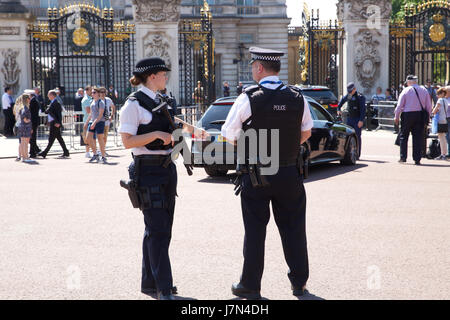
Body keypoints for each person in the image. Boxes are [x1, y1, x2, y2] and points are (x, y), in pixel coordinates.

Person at [221, 47, 313, 299]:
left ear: (259, 68)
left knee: (254, 231)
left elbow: (228, 135)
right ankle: (299, 283)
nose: (252, 69)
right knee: (294, 229)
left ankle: (250, 285)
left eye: (253, 66)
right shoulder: (297, 96)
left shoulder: (248, 97)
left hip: (256, 173)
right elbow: (306, 132)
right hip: (289, 172)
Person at [119, 57, 207, 300]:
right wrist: (156, 134)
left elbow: (173, 122)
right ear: (152, 76)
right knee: (158, 230)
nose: (167, 77)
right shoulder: (133, 105)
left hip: (167, 169)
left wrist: (193, 130)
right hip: (147, 170)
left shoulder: (161, 100)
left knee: (160, 229)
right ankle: (163, 288)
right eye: (163, 73)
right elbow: (127, 141)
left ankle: (150, 282)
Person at [394, 75, 432, 165]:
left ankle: (403, 157)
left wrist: (396, 116)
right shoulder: (424, 90)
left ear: (409, 82)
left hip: (407, 115)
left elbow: (399, 105)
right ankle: (417, 158)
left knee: (404, 136)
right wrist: (428, 116)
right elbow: (429, 106)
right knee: (418, 137)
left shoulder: (406, 90)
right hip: (419, 115)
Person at [38, 90, 70, 159]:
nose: (48, 96)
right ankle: (66, 151)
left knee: (51, 138)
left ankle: (45, 152)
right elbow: (48, 111)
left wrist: (58, 123)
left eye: (49, 95)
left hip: (55, 123)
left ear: (52, 95)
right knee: (59, 138)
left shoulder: (56, 103)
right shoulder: (52, 103)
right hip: (53, 122)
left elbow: (59, 114)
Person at [337, 83, 366, 158]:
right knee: (349, 137)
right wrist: (338, 109)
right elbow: (340, 102)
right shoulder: (348, 95)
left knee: (357, 136)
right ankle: (349, 153)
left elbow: (363, 110)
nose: (350, 92)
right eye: (349, 91)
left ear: (354, 89)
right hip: (349, 119)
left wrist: (361, 120)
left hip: (357, 119)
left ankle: (357, 154)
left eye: (351, 91)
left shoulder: (360, 97)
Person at [86, 87, 107, 163]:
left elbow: (100, 115)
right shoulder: (92, 102)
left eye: (94, 92)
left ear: (98, 93)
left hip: (100, 122)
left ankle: (103, 156)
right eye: (92, 93)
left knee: (100, 139)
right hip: (92, 122)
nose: (92, 94)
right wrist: (87, 122)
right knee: (88, 138)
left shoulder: (101, 102)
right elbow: (91, 114)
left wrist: (94, 122)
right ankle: (95, 154)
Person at [14, 93, 34, 163]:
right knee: (25, 142)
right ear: (27, 99)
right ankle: (25, 157)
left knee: (23, 142)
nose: (30, 99)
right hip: (25, 126)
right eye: (29, 98)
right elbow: (24, 117)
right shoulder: (25, 107)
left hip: (22, 126)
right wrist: (28, 120)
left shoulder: (21, 107)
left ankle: (24, 157)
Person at [431, 87, 448, 160]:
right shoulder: (446, 100)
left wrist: (433, 112)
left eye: (438, 94)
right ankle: (444, 153)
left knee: (441, 138)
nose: (437, 95)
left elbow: (434, 111)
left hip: (439, 120)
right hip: (444, 120)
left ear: (442, 94)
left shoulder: (440, 100)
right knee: (443, 138)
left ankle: (443, 154)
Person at [28, 89, 43, 158]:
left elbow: (31, 113)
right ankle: (33, 151)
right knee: (32, 137)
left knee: (32, 138)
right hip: (34, 121)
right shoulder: (34, 100)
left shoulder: (33, 101)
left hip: (33, 122)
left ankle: (34, 152)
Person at [81, 86, 94, 158]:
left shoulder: (90, 98)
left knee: (91, 137)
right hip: (87, 120)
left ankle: (91, 151)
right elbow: (88, 111)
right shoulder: (86, 99)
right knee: (88, 137)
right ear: (87, 91)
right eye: (91, 90)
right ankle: (87, 152)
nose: (92, 92)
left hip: (90, 120)